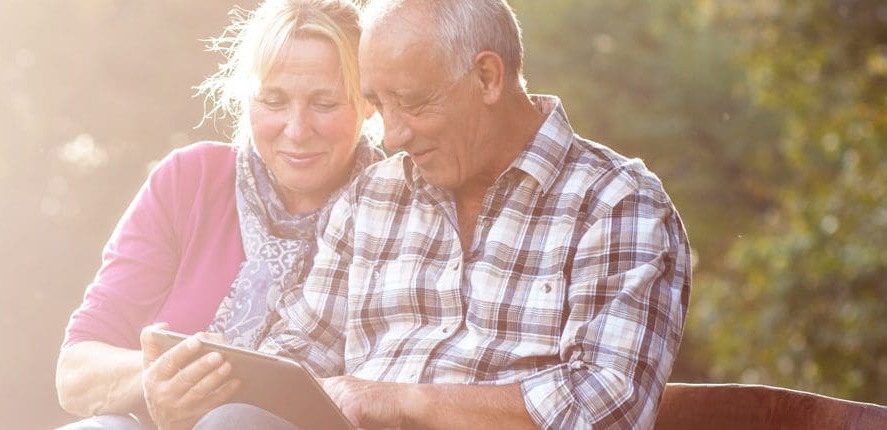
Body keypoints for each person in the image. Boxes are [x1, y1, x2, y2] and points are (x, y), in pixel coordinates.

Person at [211, 0, 693, 429]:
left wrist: (403, 402)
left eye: (412, 102)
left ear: (487, 77)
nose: (392, 137)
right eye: (379, 105)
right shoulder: (371, 197)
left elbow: (604, 408)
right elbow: (299, 350)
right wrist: (213, 380)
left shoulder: (617, 204)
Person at [54, 1, 383, 428]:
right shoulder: (190, 181)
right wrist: (163, 374)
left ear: (369, 102)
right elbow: (76, 371)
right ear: (246, 97)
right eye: (273, 100)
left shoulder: (401, 206)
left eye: (324, 103)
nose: (298, 129)